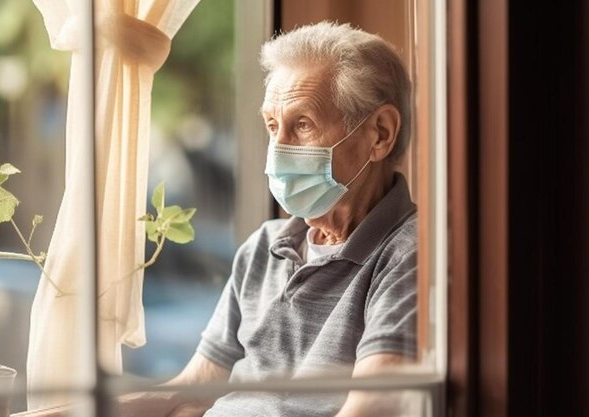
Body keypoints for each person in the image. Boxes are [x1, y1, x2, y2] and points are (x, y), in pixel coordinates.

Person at [120, 21, 417, 417]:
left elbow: (373, 406)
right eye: (273, 126)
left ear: (379, 134)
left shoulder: (408, 255)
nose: (277, 151)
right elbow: (195, 386)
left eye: (303, 125)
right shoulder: (265, 246)